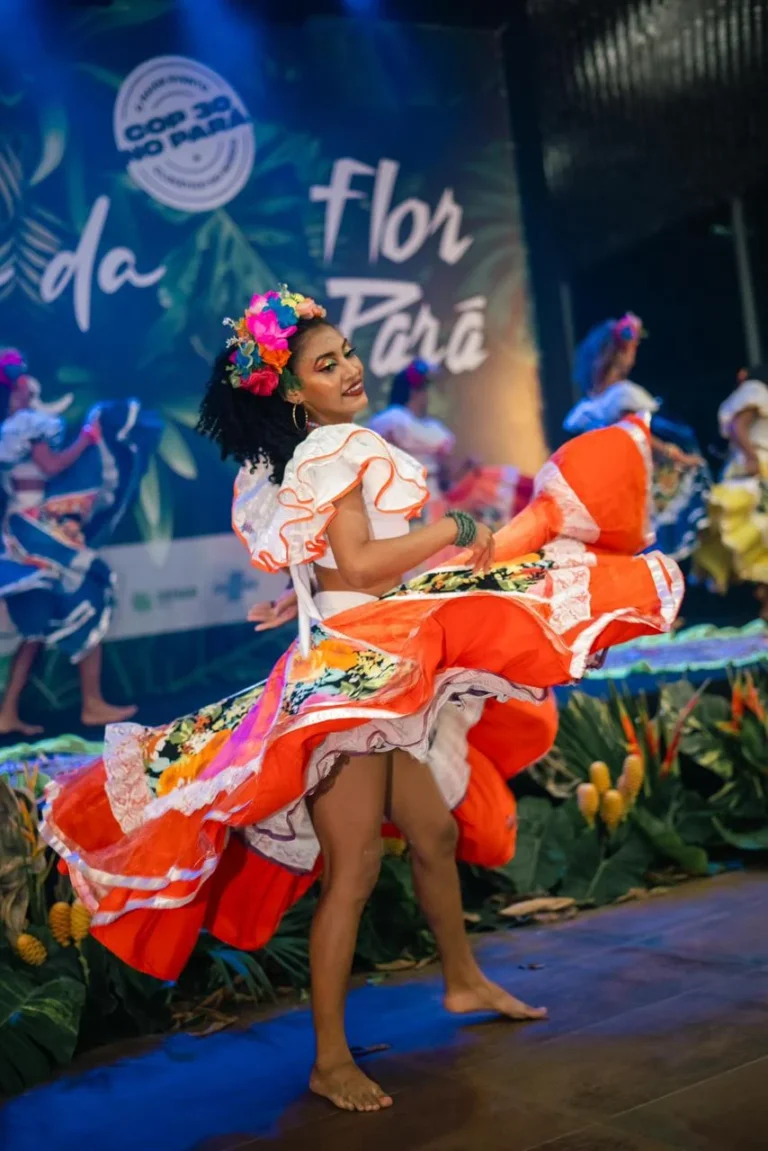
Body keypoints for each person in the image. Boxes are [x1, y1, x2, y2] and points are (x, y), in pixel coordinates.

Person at [42, 288, 683, 1113]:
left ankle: (460, 980)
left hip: (372, 658)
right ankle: (331, 1058)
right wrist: (453, 533)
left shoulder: (316, 450)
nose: (349, 369)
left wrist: (300, 592)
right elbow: (370, 565)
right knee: (350, 874)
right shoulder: (336, 453)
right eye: (325, 363)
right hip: (357, 679)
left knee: (434, 828)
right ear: (291, 389)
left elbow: (334, 561)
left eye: (347, 353)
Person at [0, 348, 159, 733]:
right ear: (19, 384)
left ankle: (9, 713)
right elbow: (52, 467)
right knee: (90, 591)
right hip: (38, 530)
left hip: (25, 530)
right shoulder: (24, 424)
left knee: (37, 627)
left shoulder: (9, 429)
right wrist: (88, 439)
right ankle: (91, 703)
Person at [564, 314, 710, 561]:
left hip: (604, 490)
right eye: (631, 351)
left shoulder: (589, 406)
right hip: (629, 485)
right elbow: (637, 437)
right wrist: (678, 456)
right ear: (619, 355)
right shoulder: (622, 395)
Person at [369, 358, 533, 528]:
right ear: (413, 392)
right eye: (423, 389)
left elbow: (446, 477)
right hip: (406, 507)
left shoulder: (428, 428)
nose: (427, 396)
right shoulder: (394, 420)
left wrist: (466, 468)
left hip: (424, 505)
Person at [693, 365, 768, 613]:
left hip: (751, 465)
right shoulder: (755, 389)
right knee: (755, 533)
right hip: (757, 467)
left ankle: (763, 602)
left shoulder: (750, 393)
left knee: (756, 538)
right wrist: (750, 457)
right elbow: (738, 425)